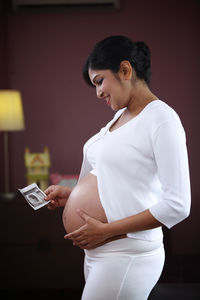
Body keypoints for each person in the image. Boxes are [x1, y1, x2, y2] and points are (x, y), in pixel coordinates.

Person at [44, 35, 191, 300]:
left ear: (125, 70)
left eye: (100, 81)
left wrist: (106, 231)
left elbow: (178, 205)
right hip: (98, 254)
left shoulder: (162, 119)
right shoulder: (119, 118)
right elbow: (116, 180)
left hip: (127, 255)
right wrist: (71, 195)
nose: (98, 92)